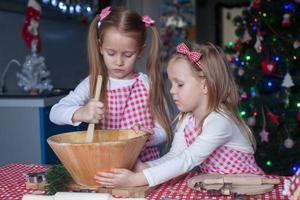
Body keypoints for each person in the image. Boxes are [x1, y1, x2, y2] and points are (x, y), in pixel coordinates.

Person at [95, 42, 264, 187]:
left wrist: (136, 180)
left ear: (204, 85)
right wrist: (145, 167)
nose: (171, 90)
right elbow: (175, 156)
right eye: (172, 83)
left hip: (248, 190)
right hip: (221, 188)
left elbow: (187, 160)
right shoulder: (187, 119)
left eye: (180, 84)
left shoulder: (220, 121)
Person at [49, 6, 172, 162]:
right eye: (111, 53)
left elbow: (165, 130)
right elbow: (55, 113)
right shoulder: (92, 83)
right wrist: (82, 113)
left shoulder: (148, 84)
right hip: (105, 166)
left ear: (140, 51)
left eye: (128, 54)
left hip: (143, 169)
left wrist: (150, 136)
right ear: (100, 47)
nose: (119, 62)